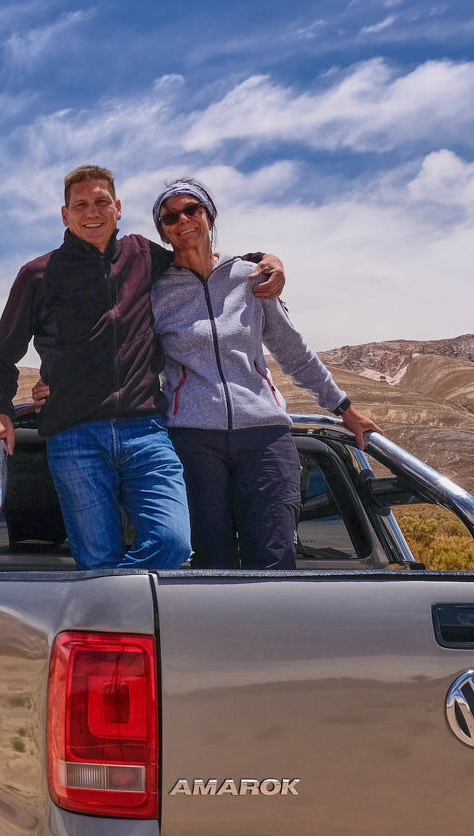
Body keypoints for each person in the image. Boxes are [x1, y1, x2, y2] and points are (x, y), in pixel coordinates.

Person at [0, 165, 285, 571]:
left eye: (101, 202)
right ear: (65, 214)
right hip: (74, 437)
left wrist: (264, 259)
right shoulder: (37, 275)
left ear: (117, 208)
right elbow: (2, 355)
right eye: (81, 205)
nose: (92, 212)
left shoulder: (143, 255)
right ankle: (117, 617)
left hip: (147, 432)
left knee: (173, 545)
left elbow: (197, 253)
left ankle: (107, 596)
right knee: (97, 558)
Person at [149, 178, 381, 570]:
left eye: (192, 210)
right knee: (211, 564)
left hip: (265, 437)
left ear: (209, 214)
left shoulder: (251, 277)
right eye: (170, 217)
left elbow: (293, 351)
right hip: (192, 440)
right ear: (163, 230)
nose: (183, 220)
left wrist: (343, 407)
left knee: (273, 559)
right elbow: (124, 351)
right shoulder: (156, 292)